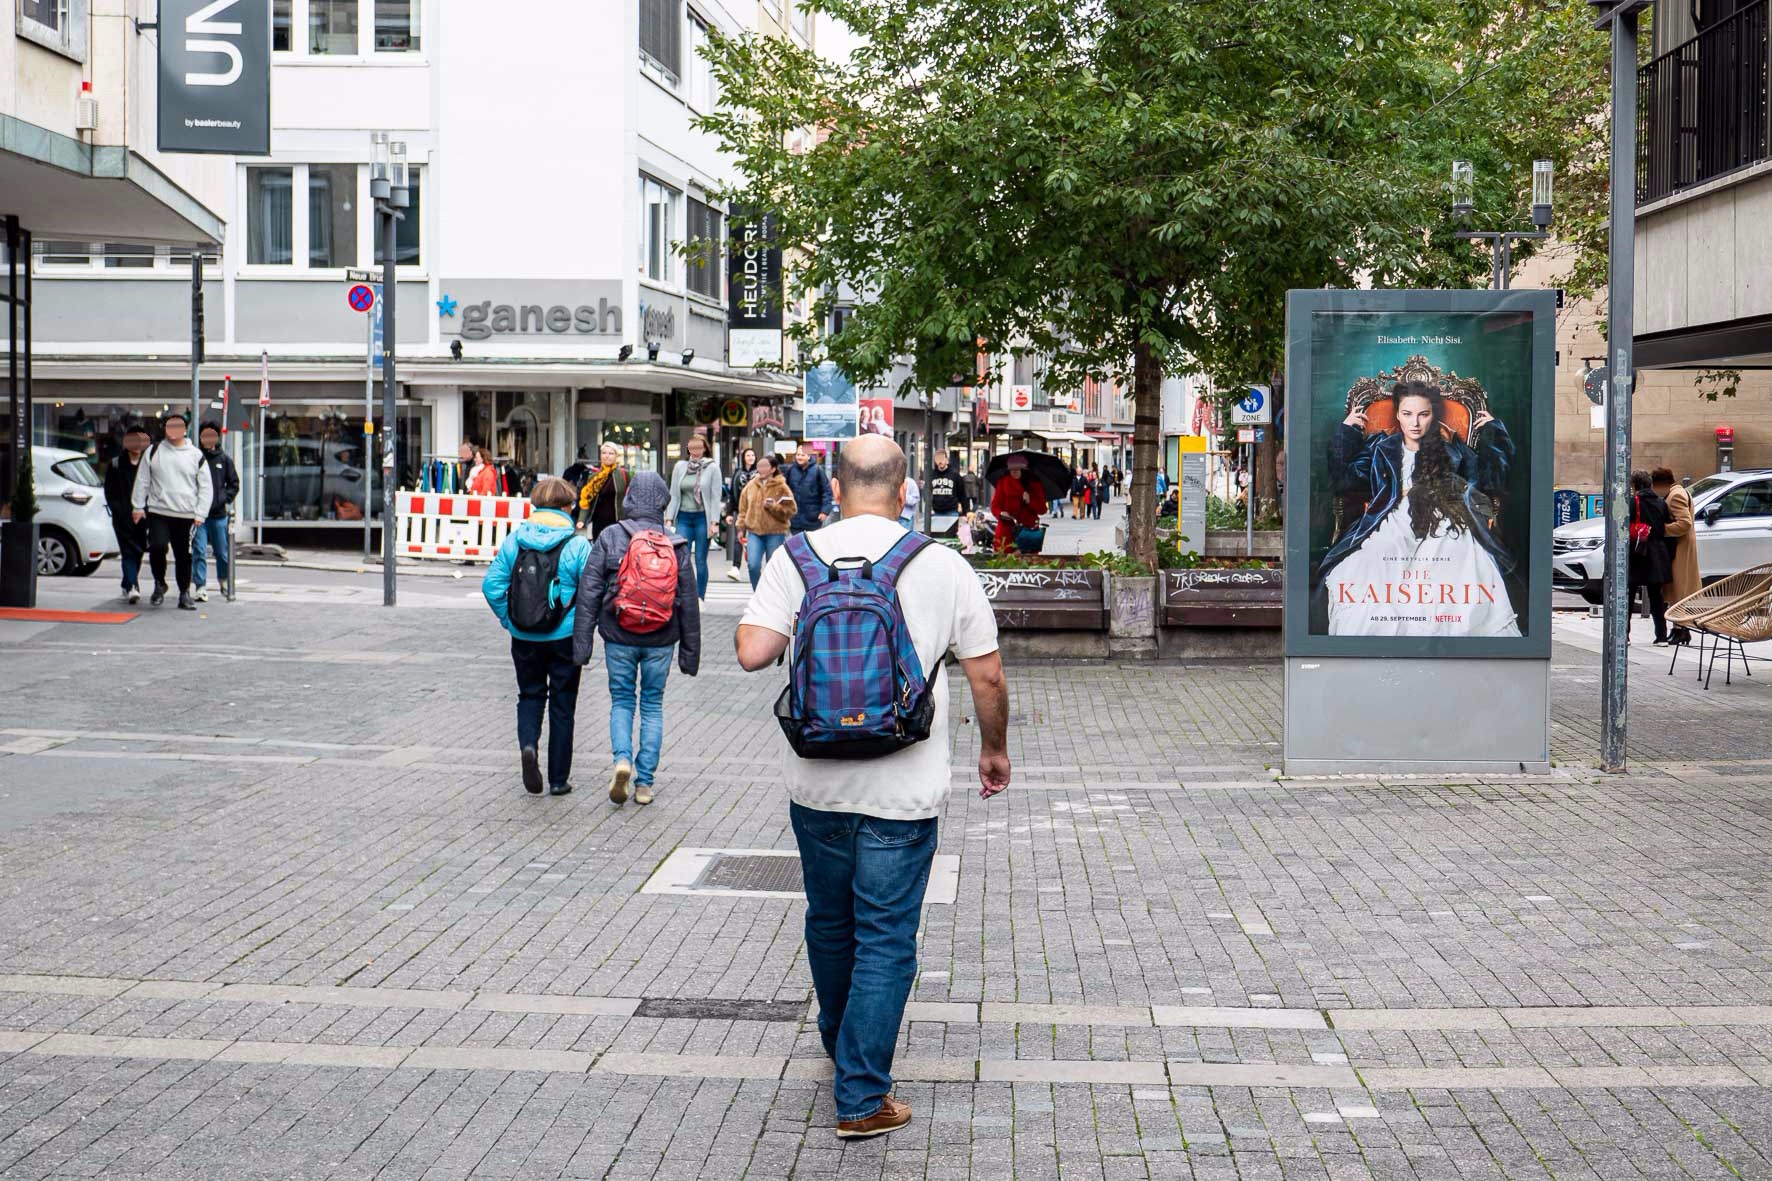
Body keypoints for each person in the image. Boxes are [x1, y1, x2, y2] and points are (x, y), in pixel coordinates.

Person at [735, 435, 1010, 1141]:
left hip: (816, 784)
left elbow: (751, 652)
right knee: (886, 935)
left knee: (830, 922)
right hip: (905, 787)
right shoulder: (942, 564)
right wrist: (993, 749)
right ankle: (860, 1094)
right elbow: (986, 674)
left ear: (834, 485)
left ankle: (843, 1044)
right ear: (905, 486)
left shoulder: (797, 557)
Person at [1319, 381, 1518, 637]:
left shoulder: (1451, 450)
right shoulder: (1382, 448)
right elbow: (1344, 479)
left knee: (1456, 556)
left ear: (1433, 415)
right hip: (1393, 516)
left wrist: (1493, 432)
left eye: (1423, 414)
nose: (1415, 423)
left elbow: (1491, 480)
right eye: (1407, 414)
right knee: (1372, 562)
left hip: (1443, 519)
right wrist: (1346, 431)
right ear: (1398, 415)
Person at [573, 472, 701, 806]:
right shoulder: (676, 543)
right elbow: (688, 602)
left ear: (629, 499)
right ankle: (644, 783)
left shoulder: (610, 536)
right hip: (662, 637)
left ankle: (622, 760)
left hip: (619, 634)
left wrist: (582, 645)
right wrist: (690, 654)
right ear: (663, 502)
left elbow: (588, 592)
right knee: (652, 705)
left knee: (622, 700)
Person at [481, 477, 592, 796]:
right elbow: (591, 592)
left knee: (529, 695)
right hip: (564, 636)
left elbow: (491, 586)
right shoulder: (577, 545)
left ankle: (528, 745)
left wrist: (510, 620)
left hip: (524, 636)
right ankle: (558, 780)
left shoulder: (515, 541)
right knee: (563, 704)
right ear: (567, 507)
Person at [130, 412, 211, 611]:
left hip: (185, 514)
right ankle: (160, 583)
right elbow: (142, 480)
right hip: (159, 511)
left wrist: (201, 513)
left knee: (184, 554)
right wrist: (138, 506)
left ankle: (184, 593)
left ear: (184, 430)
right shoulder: (154, 451)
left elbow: (205, 486)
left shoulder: (195, 455)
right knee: (157, 547)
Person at [664, 433, 722, 599]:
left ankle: (700, 597)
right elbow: (674, 494)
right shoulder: (680, 466)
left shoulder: (712, 468)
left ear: (704, 449)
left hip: (702, 518)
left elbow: (715, 497)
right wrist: (669, 518)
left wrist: (714, 522)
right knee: (682, 558)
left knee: (700, 560)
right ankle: (683, 597)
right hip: (683, 518)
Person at [190, 422, 240, 603]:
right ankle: (200, 586)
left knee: (222, 552)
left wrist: (223, 498)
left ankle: (224, 580)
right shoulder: (195, 458)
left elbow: (234, 484)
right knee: (199, 551)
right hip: (199, 516)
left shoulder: (224, 460)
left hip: (219, 515)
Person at [104, 423, 151, 603]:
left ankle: (127, 582)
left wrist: (146, 511)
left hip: (143, 517)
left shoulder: (148, 465)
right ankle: (132, 586)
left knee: (138, 551)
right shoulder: (116, 464)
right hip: (122, 517)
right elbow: (109, 491)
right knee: (128, 551)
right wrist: (119, 510)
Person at [1653, 467, 1699, 645]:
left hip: (1680, 546)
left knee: (1679, 589)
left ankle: (1682, 629)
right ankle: (1679, 628)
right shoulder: (1678, 492)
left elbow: (1685, 523)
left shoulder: (1675, 495)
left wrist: (1662, 529)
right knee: (1678, 589)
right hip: (1681, 545)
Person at [737, 452, 796, 589]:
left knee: (772, 567)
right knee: (753, 565)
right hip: (754, 532)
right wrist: (740, 528)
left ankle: (770, 594)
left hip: (775, 532)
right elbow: (743, 508)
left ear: (773, 469)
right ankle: (758, 592)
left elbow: (792, 510)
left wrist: (774, 507)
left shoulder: (781, 487)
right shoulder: (751, 485)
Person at [1628, 470, 1674, 645]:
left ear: (1635, 485)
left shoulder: (1632, 502)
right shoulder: (1661, 503)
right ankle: (1661, 636)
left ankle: (1624, 635)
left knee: (1628, 595)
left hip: (1637, 553)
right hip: (1657, 555)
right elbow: (1667, 529)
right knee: (1656, 597)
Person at [990, 455, 1047, 551]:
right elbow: (995, 505)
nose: (1014, 472)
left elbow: (1042, 510)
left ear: (1024, 469)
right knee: (1004, 559)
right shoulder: (1003, 482)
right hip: (1006, 531)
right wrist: (1000, 513)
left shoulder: (1034, 484)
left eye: (1017, 469)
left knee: (1028, 559)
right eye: (1011, 469)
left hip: (1027, 531)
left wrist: (1030, 501)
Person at [578, 441, 632, 540]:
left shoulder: (624, 474)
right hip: (598, 522)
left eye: (611, 453)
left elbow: (632, 497)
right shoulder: (593, 476)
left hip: (618, 522)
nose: (607, 456)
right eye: (604, 453)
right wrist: (581, 519)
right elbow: (586, 499)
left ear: (616, 456)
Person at [724, 447, 760, 581]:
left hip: (758, 513)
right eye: (748, 455)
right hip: (742, 511)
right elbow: (731, 495)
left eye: (752, 455)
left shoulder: (760, 473)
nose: (750, 458)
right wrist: (729, 513)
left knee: (756, 539)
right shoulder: (738, 474)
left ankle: (755, 566)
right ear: (743, 458)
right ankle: (735, 568)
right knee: (738, 539)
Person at [784, 442, 833, 534]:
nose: (799, 457)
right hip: (794, 520)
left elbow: (827, 492)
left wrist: (825, 511)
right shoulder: (790, 470)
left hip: (813, 519)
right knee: (797, 542)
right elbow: (784, 491)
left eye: (802, 455)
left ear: (809, 456)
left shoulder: (818, 470)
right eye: (798, 455)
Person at [928, 451, 972, 523]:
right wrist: (929, 508)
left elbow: (962, 494)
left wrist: (964, 513)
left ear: (947, 460)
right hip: (936, 512)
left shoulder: (955, 475)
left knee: (952, 530)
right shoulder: (931, 475)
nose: (940, 462)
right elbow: (927, 493)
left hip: (951, 511)